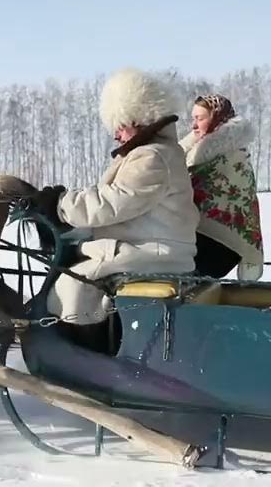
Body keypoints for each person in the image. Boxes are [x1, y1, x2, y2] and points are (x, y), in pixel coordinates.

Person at [29, 68, 200, 350]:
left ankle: (88, 359)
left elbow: (114, 202)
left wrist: (60, 205)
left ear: (139, 118)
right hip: (146, 248)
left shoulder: (153, 157)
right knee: (72, 266)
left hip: (153, 254)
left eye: (119, 125)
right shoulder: (153, 153)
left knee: (72, 286)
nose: (117, 135)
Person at [179, 93, 264, 281]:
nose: (194, 125)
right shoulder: (196, 153)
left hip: (221, 246)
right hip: (198, 239)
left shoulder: (232, 157)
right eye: (193, 119)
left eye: (200, 119)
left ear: (217, 118)